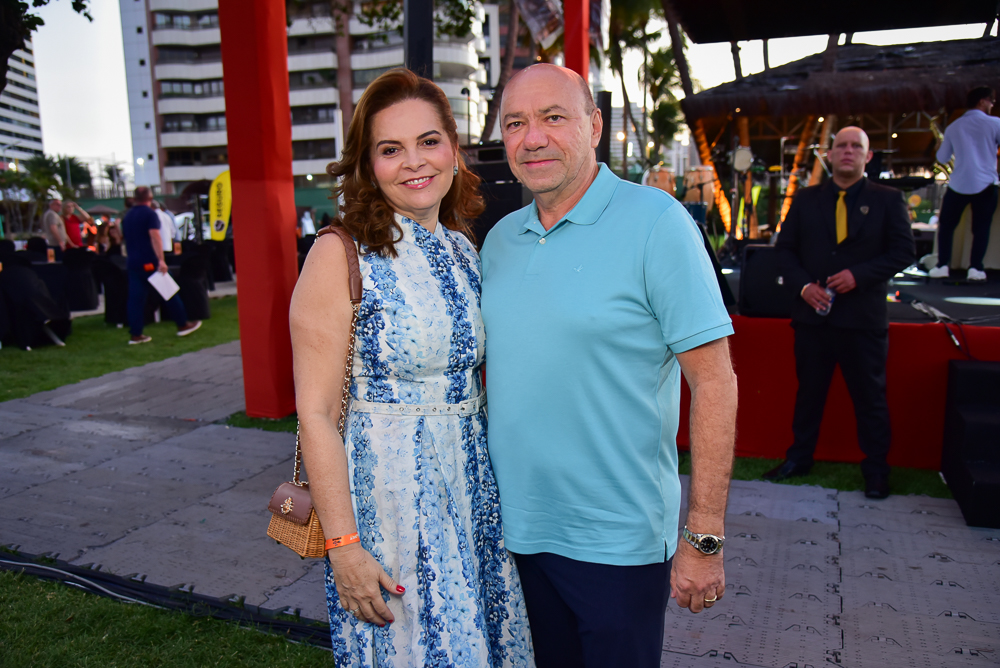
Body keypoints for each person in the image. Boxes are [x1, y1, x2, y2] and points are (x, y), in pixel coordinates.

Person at [480, 63, 738, 667]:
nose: (532, 138)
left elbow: (714, 382)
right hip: (514, 531)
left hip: (615, 542)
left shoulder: (657, 223)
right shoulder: (499, 240)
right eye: (515, 123)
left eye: (553, 117)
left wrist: (703, 535)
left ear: (595, 126)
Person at [289, 68, 533, 666]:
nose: (415, 162)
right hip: (390, 500)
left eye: (428, 141)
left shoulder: (461, 247)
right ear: (367, 164)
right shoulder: (338, 253)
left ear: (453, 147)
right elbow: (315, 414)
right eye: (390, 149)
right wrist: (344, 546)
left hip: (475, 489)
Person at [769, 127, 915, 499]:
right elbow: (784, 251)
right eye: (841, 146)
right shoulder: (805, 199)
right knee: (808, 395)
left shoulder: (888, 199)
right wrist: (805, 287)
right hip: (812, 318)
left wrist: (858, 275)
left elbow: (904, 252)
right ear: (830, 155)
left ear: (868, 156)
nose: (848, 151)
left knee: (870, 399)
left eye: (856, 146)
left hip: (863, 320)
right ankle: (799, 459)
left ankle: (877, 471)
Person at [929, 86, 1000, 282]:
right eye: (991, 101)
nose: (992, 105)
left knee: (946, 226)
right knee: (981, 227)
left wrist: (940, 146)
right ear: (983, 101)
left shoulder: (954, 127)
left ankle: (942, 265)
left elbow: (942, 158)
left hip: (958, 183)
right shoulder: (995, 123)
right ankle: (975, 268)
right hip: (986, 183)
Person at [121, 186, 201, 344]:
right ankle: (182, 324)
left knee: (135, 300)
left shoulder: (128, 215)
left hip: (133, 262)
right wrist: (161, 260)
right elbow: (155, 237)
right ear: (150, 198)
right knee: (169, 292)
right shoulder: (150, 214)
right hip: (150, 261)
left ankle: (136, 334)